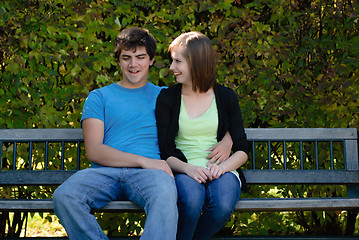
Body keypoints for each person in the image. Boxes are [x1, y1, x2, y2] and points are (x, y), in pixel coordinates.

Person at [53, 27, 232, 240]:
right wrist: (142, 161)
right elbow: (94, 151)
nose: (133, 64)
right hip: (105, 172)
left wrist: (229, 139)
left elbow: (207, 114)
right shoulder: (99, 97)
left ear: (151, 60)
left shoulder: (166, 97)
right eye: (126, 58)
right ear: (118, 61)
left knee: (166, 195)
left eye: (140, 57)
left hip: (152, 175)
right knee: (65, 196)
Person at [155, 31, 249, 240]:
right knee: (191, 202)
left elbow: (242, 149)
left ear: (196, 62)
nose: (172, 68)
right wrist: (188, 168)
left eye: (178, 61)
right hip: (183, 169)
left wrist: (222, 168)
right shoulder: (167, 98)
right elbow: (165, 151)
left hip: (222, 170)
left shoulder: (225, 97)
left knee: (223, 205)